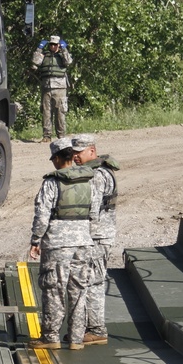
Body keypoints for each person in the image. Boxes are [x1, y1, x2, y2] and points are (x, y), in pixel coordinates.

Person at [28, 138, 99, 350]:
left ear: (58, 158)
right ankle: (76, 338)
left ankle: (50, 337)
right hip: (83, 242)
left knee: (54, 289)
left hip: (57, 244)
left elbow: (42, 216)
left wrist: (35, 239)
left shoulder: (52, 183)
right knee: (78, 290)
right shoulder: (89, 180)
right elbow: (94, 214)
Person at [72, 133, 119, 346]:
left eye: (79, 153)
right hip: (99, 235)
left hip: (97, 236)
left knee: (92, 282)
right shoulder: (98, 172)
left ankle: (97, 330)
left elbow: (90, 210)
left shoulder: (97, 175)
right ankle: (92, 329)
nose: (75, 157)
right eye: (73, 153)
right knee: (92, 281)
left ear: (92, 150)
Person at [32, 36, 73, 142]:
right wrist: (39, 49)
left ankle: (61, 136)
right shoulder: (44, 54)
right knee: (46, 112)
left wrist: (64, 49)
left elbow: (68, 62)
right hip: (46, 86)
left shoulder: (62, 55)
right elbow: (35, 62)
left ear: (59, 45)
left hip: (60, 87)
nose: (53, 46)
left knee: (60, 112)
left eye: (55, 44)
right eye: (51, 44)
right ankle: (46, 136)